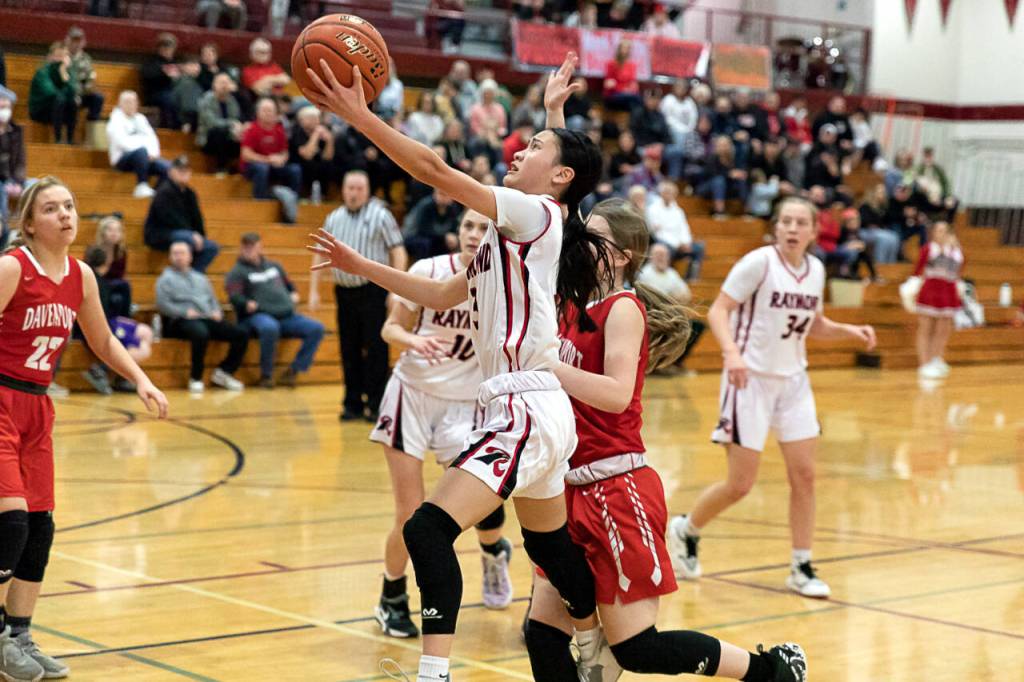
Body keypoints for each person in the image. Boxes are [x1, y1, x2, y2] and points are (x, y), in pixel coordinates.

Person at [306, 51, 610, 682]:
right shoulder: (511, 234)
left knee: (426, 530)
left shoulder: (536, 215)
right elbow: (443, 297)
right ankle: (592, 639)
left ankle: (433, 673)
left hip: (525, 403)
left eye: (533, 146)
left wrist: (362, 117)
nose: (519, 151)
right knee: (550, 546)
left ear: (558, 177)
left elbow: (432, 168)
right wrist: (361, 268)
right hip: (528, 408)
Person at [525, 198, 808, 682]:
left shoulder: (623, 309)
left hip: (616, 489)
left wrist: (549, 367)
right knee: (542, 632)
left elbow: (615, 395)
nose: (580, 244)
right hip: (567, 488)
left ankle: (769, 669)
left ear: (619, 255)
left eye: (593, 237)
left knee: (636, 649)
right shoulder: (569, 303)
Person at [0, 177, 168, 682]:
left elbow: (102, 340)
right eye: (51, 209)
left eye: (70, 206)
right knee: (10, 524)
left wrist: (140, 379)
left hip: (37, 409)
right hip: (1, 400)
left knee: (41, 529)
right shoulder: (11, 267)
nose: (65, 215)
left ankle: (20, 634)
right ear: (29, 224)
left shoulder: (81, 275)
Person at [669, 197, 877, 599]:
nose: (793, 229)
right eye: (786, 222)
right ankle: (686, 528)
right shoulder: (758, 263)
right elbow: (718, 311)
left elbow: (812, 325)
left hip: (793, 381)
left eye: (801, 223)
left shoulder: (815, 270)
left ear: (815, 231)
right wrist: (731, 354)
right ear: (776, 228)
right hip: (749, 381)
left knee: (805, 475)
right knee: (740, 484)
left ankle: (801, 565)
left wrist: (850, 331)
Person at [371, 209, 516, 638]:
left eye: (482, 227)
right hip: (412, 396)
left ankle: (493, 554)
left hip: (468, 405)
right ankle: (392, 595)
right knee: (411, 515)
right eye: (467, 226)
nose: (473, 233)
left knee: (484, 500)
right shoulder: (430, 270)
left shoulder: (506, 283)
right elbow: (389, 329)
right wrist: (413, 339)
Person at [310, 170, 407, 421]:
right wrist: (313, 290)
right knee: (348, 348)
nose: (354, 193)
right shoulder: (334, 217)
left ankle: (376, 405)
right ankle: (352, 403)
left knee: (376, 348)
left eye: (359, 189)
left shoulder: (380, 215)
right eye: (350, 188)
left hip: (373, 291)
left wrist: (397, 289)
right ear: (343, 190)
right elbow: (320, 251)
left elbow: (397, 250)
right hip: (344, 292)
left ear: (367, 191)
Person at [225, 232, 324, 388]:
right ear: (241, 249)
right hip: (257, 316)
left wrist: (294, 293)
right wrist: (245, 303)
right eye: (246, 248)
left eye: (253, 247)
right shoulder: (237, 272)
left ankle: (294, 370)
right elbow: (233, 296)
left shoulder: (274, 266)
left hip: (286, 315)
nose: (249, 251)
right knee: (270, 327)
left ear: (260, 248)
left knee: (316, 328)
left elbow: (289, 285)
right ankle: (266, 375)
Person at [156, 241, 248, 393]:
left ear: (190, 257)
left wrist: (217, 311)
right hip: (180, 321)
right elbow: (163, 305)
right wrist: (184, 312)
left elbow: (212, 299)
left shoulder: (201, 278)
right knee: (200, 332)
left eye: (182, 253)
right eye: (175, 253)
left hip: (206, 317)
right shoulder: (165, 279)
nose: (179, 257)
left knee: (241, 333)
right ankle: (196, 377)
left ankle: (224, 372)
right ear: (170, 257)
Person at [143, 156, 220, 273]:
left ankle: (193, 276)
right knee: (188, 239)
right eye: (179, 170)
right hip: (159, 234)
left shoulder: (190, 193)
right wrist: (192, 234)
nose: (183, 173)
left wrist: (201, 236)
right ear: (170, 172)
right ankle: (181, 276)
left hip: (183, 233)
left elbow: (197, 219)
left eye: (186, 170)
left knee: (211, 247)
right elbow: (167, 219)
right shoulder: (163, 191)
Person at [914, 221, 963, 380]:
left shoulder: (956, 251)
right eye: (938, 230)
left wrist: (954, 248)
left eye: (944, 230)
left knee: (943, 330)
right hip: (930, 291)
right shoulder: (928, 249)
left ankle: (937, 360)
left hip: (948, 291)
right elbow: (917, 270)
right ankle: (924, 363)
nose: (940, 234)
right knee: (925, 328)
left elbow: (960, 270)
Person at [106, 90, 172, 198]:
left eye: (134, 101)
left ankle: (157, 194)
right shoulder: (115, 120)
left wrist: (153, 153)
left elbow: (152, 138)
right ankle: (141, 184)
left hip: (145, 158)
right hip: (123, 159)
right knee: (141, 151)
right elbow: (122, 142)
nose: (132, 105)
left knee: (169, 168)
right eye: (128, 102)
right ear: (120, 104)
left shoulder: (141, 119)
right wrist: (145, 152)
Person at [240, 98, 302, 201]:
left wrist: (281, 159)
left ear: (275, 113)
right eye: (264, 110)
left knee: (295, 170)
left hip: (273, 165)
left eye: (270, 110)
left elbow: (285, 152)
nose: (268, 113)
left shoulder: (279, 129)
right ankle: (260, 200)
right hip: (253, 166)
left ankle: (293, 200)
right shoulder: (252, 129)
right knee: (262, 168)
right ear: (257, 112)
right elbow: (246, 154)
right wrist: (267, 160)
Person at [645, 180, 704, 280]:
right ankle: (664, 276)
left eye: (671, 193)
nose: (669, 195)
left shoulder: (678, 211)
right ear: (661, 193)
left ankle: (691, 278)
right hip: (665, 242)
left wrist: (686, 243)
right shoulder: (653, 209)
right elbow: (658, 233)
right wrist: (677, 245)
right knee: (665, 248)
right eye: (667, 192)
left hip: (681, 244)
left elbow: (684, 228)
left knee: (699, 247)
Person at [28, 43, 77, 145]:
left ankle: (70, 139)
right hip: (41, 110)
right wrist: (66, 88)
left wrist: (64, 74)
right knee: (59, 99)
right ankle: (58, 139)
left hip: (59, 111)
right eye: (58, 56)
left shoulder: (67, 71)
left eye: (64, 56)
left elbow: (73, 92)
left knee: (72, 102)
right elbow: (50, 93)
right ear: (50, 57)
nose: (61, 59)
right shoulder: (42, 72)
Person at [197, 72, 243, 173]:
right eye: (221, 83)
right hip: (208, 139)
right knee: (219, 133)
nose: (224, 86)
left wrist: (238, 129)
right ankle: (221, 168)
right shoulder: (206, 100)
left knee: (244, 136)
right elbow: (212, 123)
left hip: (229, 136)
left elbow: (237, 119)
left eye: (227, 83)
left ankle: (238, 168)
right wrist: (232, 124)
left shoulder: (232, 101)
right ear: (214, 85)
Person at [403, 189, 462, 261]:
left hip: (437, 238)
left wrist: (454, 237)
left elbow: (454, 227)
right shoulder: (426, 206)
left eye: (447, 195)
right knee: (426, 244)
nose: (444, 197)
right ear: (434, 194)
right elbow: (423, 230)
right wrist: (444, 236)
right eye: (441, 194)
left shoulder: (453, 208)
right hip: (414, 236)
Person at [289, 106, 335, 198]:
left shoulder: (324, 131)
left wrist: (330, 141)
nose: (315, 121)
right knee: (309, 166)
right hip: (299, 162)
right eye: (312, 118)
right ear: (301, 120)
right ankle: (305, 195)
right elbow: (307, 155)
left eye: (317, 118)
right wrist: (316, 135)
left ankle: (324, 195)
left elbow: (328, 157)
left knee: (328, 165)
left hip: (318, 164)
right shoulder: (297, 131)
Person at [64, 27, 104, 127]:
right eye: (74, 40)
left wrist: (89, 87)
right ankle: (68, 137)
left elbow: (90, 77)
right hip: (66, 94)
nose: (76, 44)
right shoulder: (61, 55)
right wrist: (74, 94)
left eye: (79, 41)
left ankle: (92, 128)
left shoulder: (86, 58)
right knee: (70, 102)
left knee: (98, 98)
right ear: (67, 40)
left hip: (82, 93)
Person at [140, 33, 181, 129]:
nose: (168, 51)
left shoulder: (174, 63)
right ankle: (170, 128)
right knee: (170, 99)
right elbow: (147, 75)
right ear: (160, 48)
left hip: (172, 93)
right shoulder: (152, 62)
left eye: (170, 48)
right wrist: (163, 72)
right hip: (155, 94)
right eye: (165, 47)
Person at [0, 86, 25, 238]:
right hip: (1, 180)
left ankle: (28, 228)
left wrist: (18, 181)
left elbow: (21, 160)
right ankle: (4, 230)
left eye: (7, 107)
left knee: (36, 185)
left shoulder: (16, 131)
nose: (5, 111)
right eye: (2, 107)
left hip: (13, 178)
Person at [603, 40, 641, 112]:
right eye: (623, 48)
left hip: (628, 96)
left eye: (627, 49)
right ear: (619, 49)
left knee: (634, 101)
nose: (625, 51)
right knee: (635, 99)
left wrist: (629, 89)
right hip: (613, 95)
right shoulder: (611, 64)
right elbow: (608, 84)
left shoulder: (632, 66)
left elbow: (633, 84)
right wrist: (623, 89)